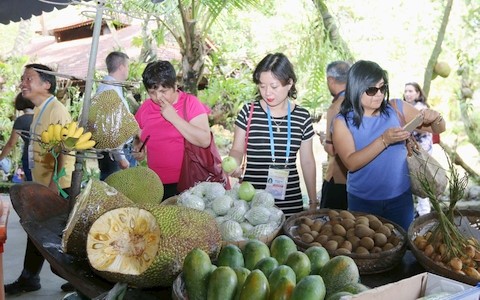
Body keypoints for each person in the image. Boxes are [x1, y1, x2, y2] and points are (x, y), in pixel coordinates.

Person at [332, 60, 445, 231]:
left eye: (382, 88)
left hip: (400, 198)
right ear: (356, 88)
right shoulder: (342, 122)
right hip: (362, 201)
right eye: (371, 90)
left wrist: (436, 117)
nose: (379, 94)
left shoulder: (396, 108)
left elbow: (438, 128)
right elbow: (351, 162)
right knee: (367, 251)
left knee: (403, 248)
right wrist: (384, 140)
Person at [4, 63, 75, 295]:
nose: (23, 83)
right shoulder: (40, 109)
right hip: (43, 185)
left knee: (56, 241)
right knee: (36, 232)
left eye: (29, 78)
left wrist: (54, 185)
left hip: (58, 187)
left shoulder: (56, 110)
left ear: (46, 84)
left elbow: (67, 149)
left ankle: (74, 278)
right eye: (23, 78)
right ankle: (30, 278)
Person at [227, 53, 317, 217]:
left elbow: (308, 161)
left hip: (290, 203)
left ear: (289, 83)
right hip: (252, 202)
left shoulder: (302, 117)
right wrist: (234, 162)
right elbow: (237, 149)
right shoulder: (248, 112)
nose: (267, 92)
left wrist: (313, 201)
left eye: (274, 86)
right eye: (262, 86)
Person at [132, 60, 211, 199]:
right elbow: (138, 133)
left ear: (175, 85)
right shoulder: (146, 107)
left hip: (189, 184)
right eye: (152, 92)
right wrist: (139, 147)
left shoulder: (190, 103)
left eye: (163, 91)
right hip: (156, 184)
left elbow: (205, 140)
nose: (158, 97)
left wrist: (173, 117)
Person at [96, 51, 137, 180]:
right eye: (127, 66)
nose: (128, 70)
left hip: (114, 153)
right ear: (121, 67)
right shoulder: (109, 90)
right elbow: (111, 129)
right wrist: (121, 158)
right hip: (115, 155)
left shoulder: (110, 87)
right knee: (117, 192)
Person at [319, 61, 350, 210]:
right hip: (361, 181)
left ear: (331, 80)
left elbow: (332, 150)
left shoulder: (336, 107)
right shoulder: (360, 102)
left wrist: (325, 140)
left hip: (339, 178)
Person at [404, 82, 433, 216]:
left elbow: (424, 130)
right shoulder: (407, 107)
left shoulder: (421, 108)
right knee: (415, 182)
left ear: (418, 93)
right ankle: (421, 211)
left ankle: (425, 213)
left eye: (411, 91)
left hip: (421, 151)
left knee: (422, 183)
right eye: (406, 91)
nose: (408, 94)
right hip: (413, 151)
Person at [0, 93, 34, 181]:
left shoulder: (21, 120)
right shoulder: (42, 117)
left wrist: (1, 157)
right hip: (45, 155)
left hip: (29, 155)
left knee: (31, 184)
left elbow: (11, 143)